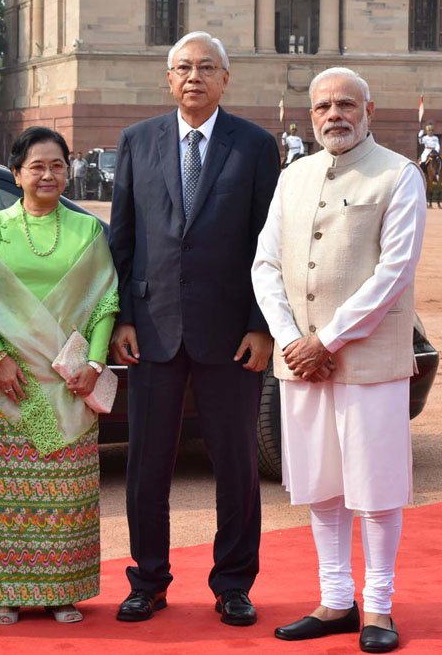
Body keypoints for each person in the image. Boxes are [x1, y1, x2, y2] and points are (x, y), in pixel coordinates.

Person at [108, 31, 280, 626]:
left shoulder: (255, 146)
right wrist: (121, 318)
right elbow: (122, 238)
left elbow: (268, 244)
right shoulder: (137, 141)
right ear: (168, 78)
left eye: (207, 68)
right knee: (146, 465)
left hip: (233, 335)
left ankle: (233, 582)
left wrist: (263, 327)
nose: (194, 77)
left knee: (236, 466)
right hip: (151, 332)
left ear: (225, 79)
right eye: (183, 67)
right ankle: (148, 580)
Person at [252, 67, 426, 653]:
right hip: (301, 362)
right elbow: (266, 266)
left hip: (367, 359)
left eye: (346, 104)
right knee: (321, 487)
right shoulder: (292, 177)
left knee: (374, 489)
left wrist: (325, 340)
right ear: (311, 115)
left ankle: (378, 607)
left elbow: (394, 272)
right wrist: (291, 340)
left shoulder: (399, 175)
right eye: (323, 105)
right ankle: (335, 600)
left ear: (369, 109)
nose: (334, 114)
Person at [0, 127, 119, 626]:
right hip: (13, 385)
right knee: (8, 495)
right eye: (37, 166)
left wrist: (93, 365)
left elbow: (106, 301)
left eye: (58, 166)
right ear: (17, 173)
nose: (48, 175)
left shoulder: (87, 230)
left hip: (69, 384)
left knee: (64, 493)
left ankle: (61, 591)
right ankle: (7, 591)